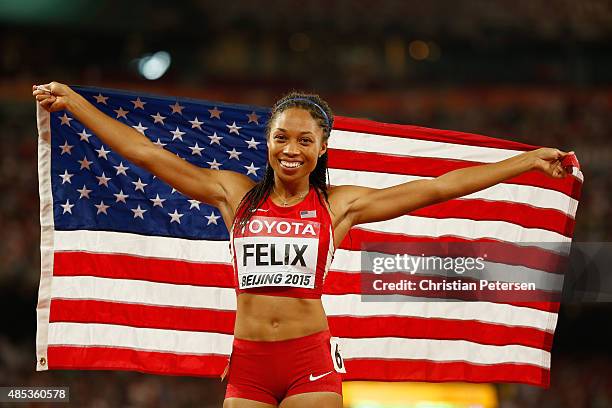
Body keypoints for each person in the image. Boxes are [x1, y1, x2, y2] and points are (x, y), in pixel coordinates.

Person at [33, 82, 571, 408]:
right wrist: (75, 103)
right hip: (246, 363)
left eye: (304, 140)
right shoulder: (233, 193)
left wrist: (527, 161)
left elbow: (436, 188)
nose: (291, 149)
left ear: (321, 148)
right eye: (281, 138)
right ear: (267, 143)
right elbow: (150, 155)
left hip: (308, 359)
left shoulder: (338, 207)